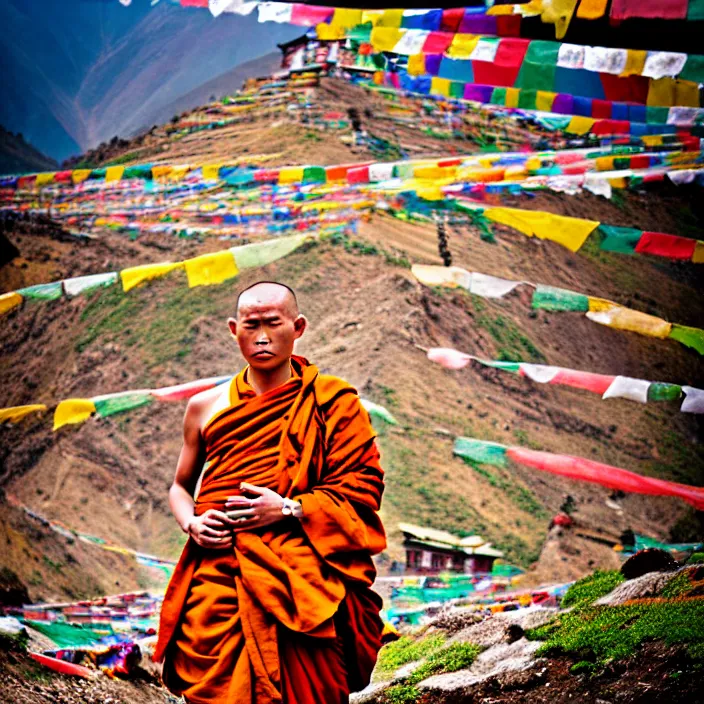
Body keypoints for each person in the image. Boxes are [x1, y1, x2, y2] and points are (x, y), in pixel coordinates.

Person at [154, 281, 387, 704]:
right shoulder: (204, 406)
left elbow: (362, 486)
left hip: (302, 572)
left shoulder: (332, 402)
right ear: (233, 329)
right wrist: (191, 523)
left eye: (273, 324)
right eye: (251, 325)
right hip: (219, 571)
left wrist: (288, 508)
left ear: (297, 327)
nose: (262, 337)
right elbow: (179, 487)